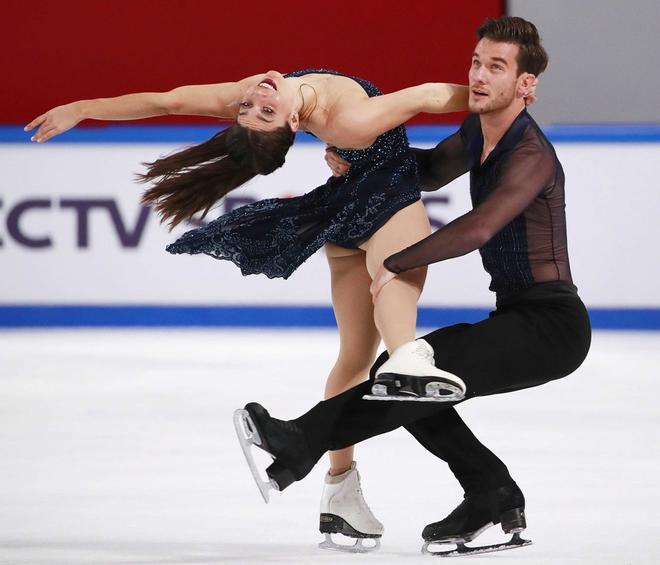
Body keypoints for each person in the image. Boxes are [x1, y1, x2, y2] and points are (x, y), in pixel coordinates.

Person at [25, 69, 471, 550]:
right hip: (387, 199)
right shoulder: (351, 120)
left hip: (341, 212)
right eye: (263, 110)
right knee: (392, 281)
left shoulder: (260, 94)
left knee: (355, 359)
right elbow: (431, 95)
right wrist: (499, 100)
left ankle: (340, 491)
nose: (256, 99)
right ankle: (407, 354)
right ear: (296, 122)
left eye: (252, 110)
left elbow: (166, 99)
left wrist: (83, 106)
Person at [235, 16, 591, 555]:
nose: (479, 75)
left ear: (526, 84)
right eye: (476, 62)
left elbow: (479, 228)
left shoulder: (530, 155)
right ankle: (492, 494)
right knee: (404, 375)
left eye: (496, 67)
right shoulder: (478, 133)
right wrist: (355, 158)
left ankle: (301, 440)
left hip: (553, 327)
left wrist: (395, 261)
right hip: (519, 314)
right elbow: (424, 171)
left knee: (408, 374)